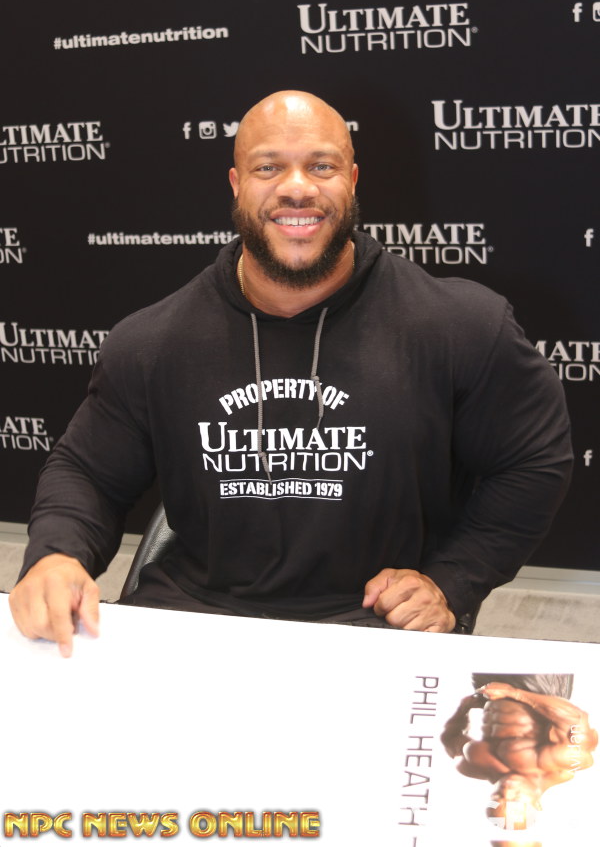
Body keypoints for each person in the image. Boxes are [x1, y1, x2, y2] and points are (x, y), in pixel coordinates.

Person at [9, 90, 573, 656]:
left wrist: (452, 580)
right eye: (268, 168)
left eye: (321, 166)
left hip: (375, 626)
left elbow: (532, 460)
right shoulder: (152, 341)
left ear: (352, 180)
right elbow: (88, 471)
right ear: (236, 185)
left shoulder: (461, 325)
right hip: (193, 616)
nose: (297, 187)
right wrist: (57, 554)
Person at [441, 675, 597, 832]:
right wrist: (513, 692)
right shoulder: (564, 763)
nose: (507, 790)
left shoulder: (474, 769)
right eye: (516, 798)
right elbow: (575, 718)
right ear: (537, 804)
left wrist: (463, 710)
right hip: (538, 684)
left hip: (489, 687)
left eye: (498, 797)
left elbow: (451, 742)